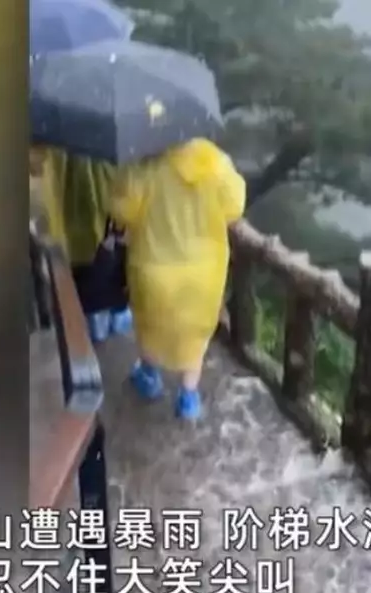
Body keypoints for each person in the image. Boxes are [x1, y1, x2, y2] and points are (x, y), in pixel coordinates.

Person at [109, 138, 246, 420]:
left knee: (149, 324)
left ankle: (149, 377)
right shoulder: (215, 163)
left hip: (154, 268)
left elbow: (121, 210)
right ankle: (188, 397)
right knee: (195, 334)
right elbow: (235, 206)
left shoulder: (146, 164)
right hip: (204, 272)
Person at [35, 146, 134, 342]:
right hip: (102, 217)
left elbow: (36, 165)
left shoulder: (58, 132)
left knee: (83, 276)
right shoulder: (109, 138)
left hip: (70, 219)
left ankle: (92, 324)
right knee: (106, 270)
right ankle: (105, 320)